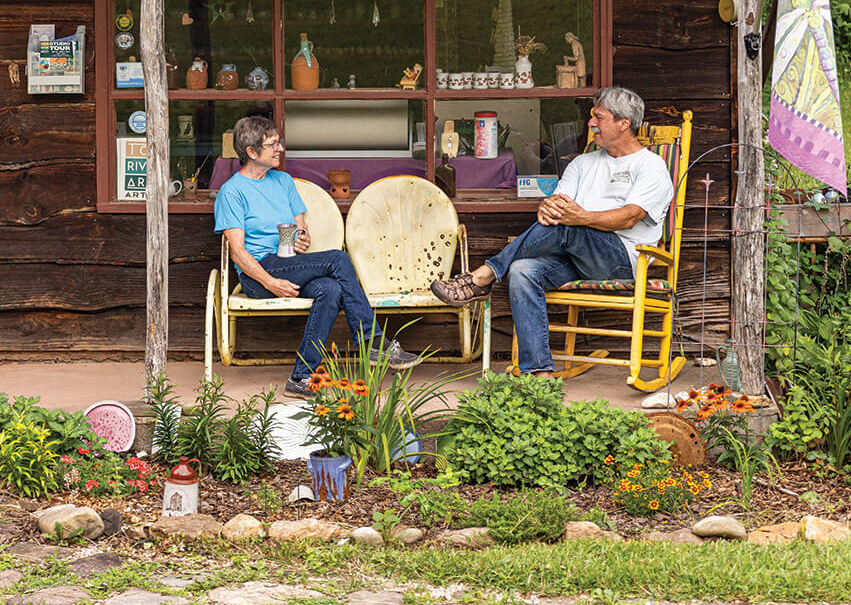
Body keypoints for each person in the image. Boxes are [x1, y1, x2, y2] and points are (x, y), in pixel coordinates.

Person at [430, 86, 674, 376]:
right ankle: (539, 373)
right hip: (575, 258)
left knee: (570, 227)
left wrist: (579, 216)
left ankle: (483, 275)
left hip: (620, 261)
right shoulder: (583, 163)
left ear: (624, 123)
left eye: (599, 117)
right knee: (521, 270)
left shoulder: (651, 166)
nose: (591, 123)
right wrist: (547, 209)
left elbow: (629, 218)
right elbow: (558, 207)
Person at [215, 115, 421, 399]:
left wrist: (303, 238)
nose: (280, 149)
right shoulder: (232, 192)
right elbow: (238, 252)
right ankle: (373, 342)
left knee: (331, 288)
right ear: (251, 152)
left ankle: (301, 377)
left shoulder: (283, 181)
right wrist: (272, 283)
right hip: (259, 274)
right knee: (337, 258)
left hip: (287, 264)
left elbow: (301, 229)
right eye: (272, 144)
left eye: (279, 142)